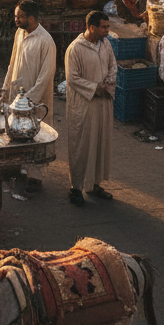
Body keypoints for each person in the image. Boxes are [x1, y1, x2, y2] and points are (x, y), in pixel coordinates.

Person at [2, 0, 57, 196]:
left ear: (32, 18)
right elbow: (12, 62)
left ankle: (36, 178)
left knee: (36, 137)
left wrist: (28, 101)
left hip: (35, 102)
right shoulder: (19, 34)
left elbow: (46, 76)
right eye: (16, 16)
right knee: (17, 134)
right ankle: (18, 170)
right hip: (16, 96)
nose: (16, 20)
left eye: (20, 17)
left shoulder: (46, 41)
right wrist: (5, 89)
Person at [65, 10, 117, 207]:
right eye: (103, 27)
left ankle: (95, 185)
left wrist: (108, 85)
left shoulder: (106, 44)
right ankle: (76, 188)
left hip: (103, 104)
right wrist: (96, 89)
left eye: (107, 26)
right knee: (81, 146)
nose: (107, 30)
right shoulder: (75, 48)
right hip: (84, 105)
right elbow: (73, 78)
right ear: (91, 27)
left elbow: (113, 67)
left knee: (100, 144)